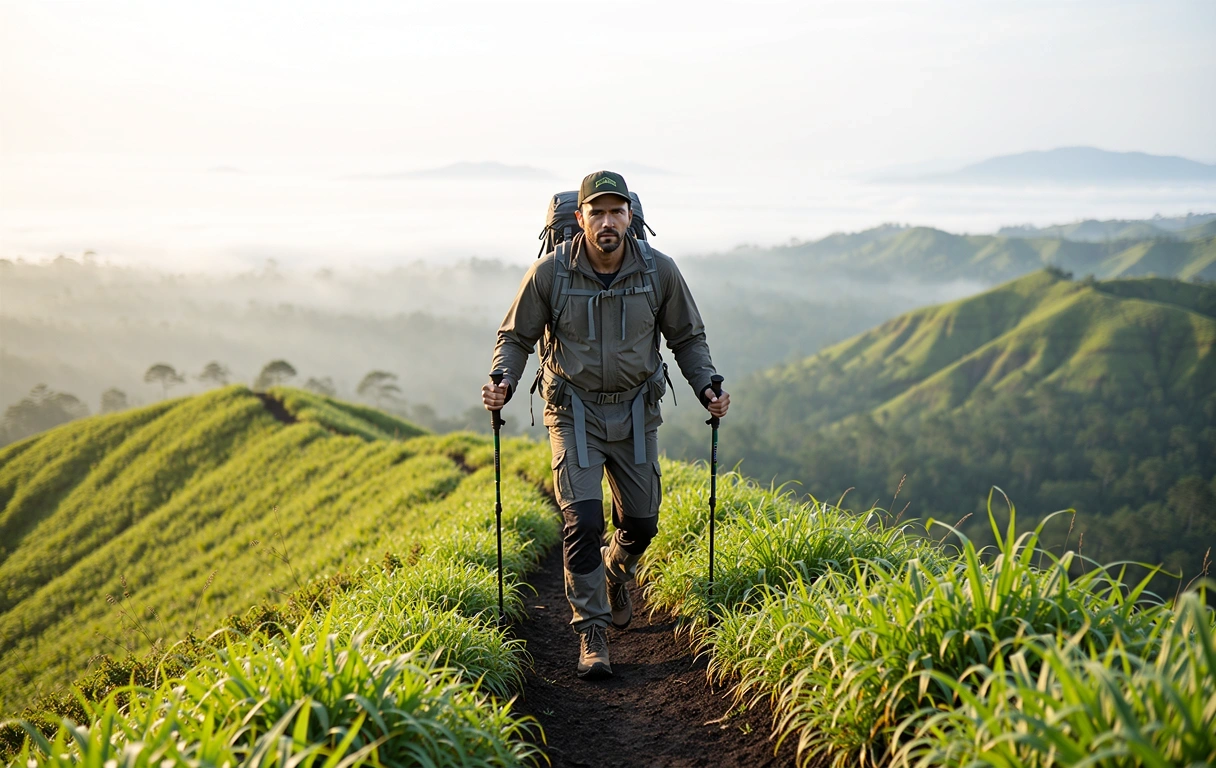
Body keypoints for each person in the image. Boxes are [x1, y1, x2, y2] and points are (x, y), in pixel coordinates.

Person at [482, 170, 729, 679]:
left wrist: (708, 386)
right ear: (581, 219)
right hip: (573, 411)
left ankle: (617, 568)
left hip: (637, 411)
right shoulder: (550, 273)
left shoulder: (659, 271)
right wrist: (502, 379)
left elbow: (688, 338)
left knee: (642, 522)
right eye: (597, 212)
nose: (608, 221)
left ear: (631, 218)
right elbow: (515, 337)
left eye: (617, 212)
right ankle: (592, 633)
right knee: (582, 521)